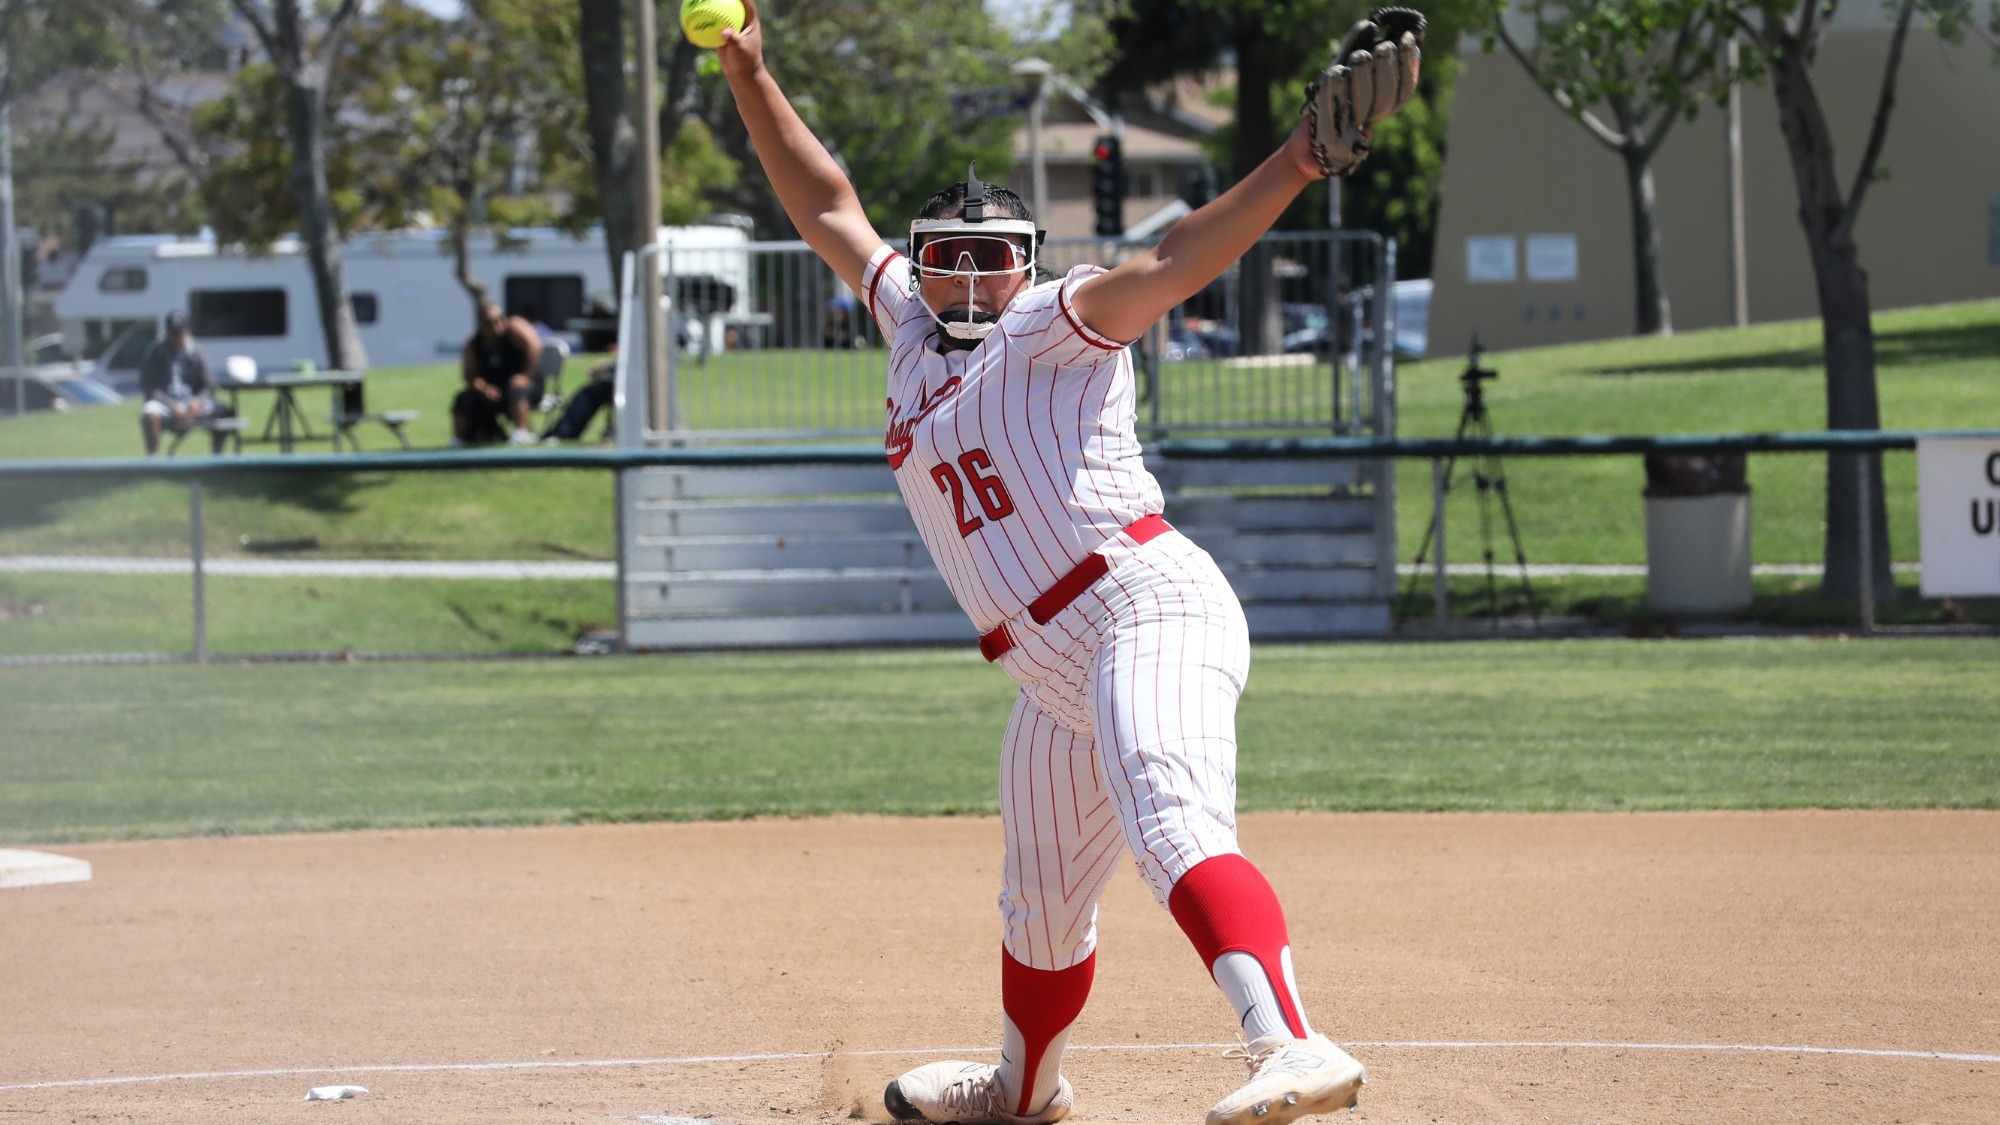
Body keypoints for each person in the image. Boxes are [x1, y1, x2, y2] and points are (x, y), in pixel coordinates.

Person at [717, 5, 1420, 1125]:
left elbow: (1173, 257)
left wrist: (1296, 160)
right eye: (944, 259)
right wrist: (747, 70)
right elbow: (825, 202)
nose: (965, 283)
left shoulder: (1052, 321)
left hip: (1142, 606)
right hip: (1046, 669)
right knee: (1039, 907)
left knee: (1168, 811)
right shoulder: (904, 325)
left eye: (991, 261)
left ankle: (1288, 1042)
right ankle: (1023, 1091)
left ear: (1024, 266)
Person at [138, 311, 229, 456]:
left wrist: (198, 402)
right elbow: (148, 386)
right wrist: (172, 406)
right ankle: (152, 460)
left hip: (192, 402)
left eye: (180, 333)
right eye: (174, 333)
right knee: (150, 413)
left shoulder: (194, 352)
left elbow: (209, 384)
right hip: (165, 403)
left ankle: (217, 459)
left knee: (226, 412)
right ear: (167, 332)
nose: (177, 337)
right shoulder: (156, 351)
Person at [453, 302, 544, 446]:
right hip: (492, 389)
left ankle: (521, 434)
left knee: (517, 390)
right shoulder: (474, 343)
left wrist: (525, 376)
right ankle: (459, 440)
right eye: (489, 323)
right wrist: (484, 388)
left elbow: (535, 347)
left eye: (498, 320)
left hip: (525, 385)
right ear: (480, 324)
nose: (495, 326)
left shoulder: (516, 330)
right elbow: (471, 375)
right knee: (463, 398)